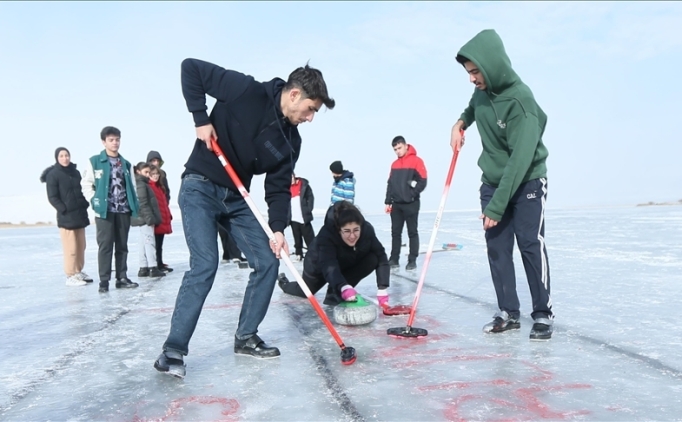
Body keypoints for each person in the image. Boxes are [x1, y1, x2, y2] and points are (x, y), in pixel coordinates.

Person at [154, 57, 335, 378]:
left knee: (268, 261)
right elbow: (190, 68)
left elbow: (278, 188)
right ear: (294, 95)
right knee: (205, 264)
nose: (310, 118)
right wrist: (200, 118)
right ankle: (172, 351)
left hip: (237, 200)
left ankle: (246, 336)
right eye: (310, 109)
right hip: (200, 186)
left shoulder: (291, 141)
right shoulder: (246, 90)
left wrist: (278, 229)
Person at [449, 29, 553, 340]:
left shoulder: (521, 101)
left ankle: (543, 313)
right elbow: (472, 107)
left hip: (527, 181)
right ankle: (508, 312)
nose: (472, 79)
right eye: (468, 73)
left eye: (475, 71)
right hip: (493, 182)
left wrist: (497, 204)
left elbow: (519, 163)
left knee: (530, 244)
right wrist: (460, 123)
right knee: (497, 249)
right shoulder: (483, 91)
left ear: (492, 64)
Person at [278, 201, 390, 308]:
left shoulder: (367, 230)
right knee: (305, 292)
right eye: (347, 231)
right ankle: (284, 283)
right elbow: (329, 266)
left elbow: (381, 256)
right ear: (339, 229)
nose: (352, 236)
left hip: (346, 262)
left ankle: (334, 293)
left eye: (356, 230)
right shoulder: (326, 236)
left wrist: (382, 288)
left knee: (372, 259)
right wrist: (343, 286)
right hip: (319, 267)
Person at [81, 126, 140, 293]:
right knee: (105, 245)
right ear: (103, 142)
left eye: (117, 139)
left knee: (122, 245)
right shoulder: (94, 161)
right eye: (111, 140)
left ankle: (121, 277)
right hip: (105, 211)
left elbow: (133, 186)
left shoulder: (126, 164)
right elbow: (86, 183)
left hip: (123, 209)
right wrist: (94, 200)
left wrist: (133, 204)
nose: (115, 143)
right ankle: (104, 280)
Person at [40, 147, 92, 286]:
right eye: (62, 156)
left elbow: (82, 190)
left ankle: (78, 271)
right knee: (71, 248)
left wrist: (84, 204)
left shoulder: (75, 172)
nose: (65, 158)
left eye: (67, 155)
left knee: (81, 246)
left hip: (79, 215)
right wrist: (64, 209)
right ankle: (70, 275)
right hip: (66, 216)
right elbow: (52, 197)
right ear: (57, 158)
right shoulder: (53, 174)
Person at [384, 136, 428, 271]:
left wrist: (412, 194)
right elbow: (390, 183)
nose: (397, 151)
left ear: (405, 146)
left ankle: (412, 260)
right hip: (396, 205)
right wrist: (388, 201)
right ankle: (394, 259)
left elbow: (423, 181)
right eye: (395, 149)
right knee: (395, 233)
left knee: (412, 232)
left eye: (399, 148)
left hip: (411, 204)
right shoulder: (394, 164)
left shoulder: (416, 161)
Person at [131, 162, 166, 279]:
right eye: (146, 172)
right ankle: (152, 267)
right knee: (149, 242)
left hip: (142, 218)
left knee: (143, 242)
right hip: (145, 218)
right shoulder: (141, 184)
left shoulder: (141, 183)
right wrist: (149, 218)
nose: (148, 175)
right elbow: (143, 202)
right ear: (138, 171)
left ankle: (143, 267)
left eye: (149, 173)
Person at [149, 164, 174, 272]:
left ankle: (160, 263)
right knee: (154, 244)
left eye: (157, 174)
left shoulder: (160, 187)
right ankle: (155, 265)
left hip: (162, 218)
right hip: (155, 220)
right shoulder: (149, 187)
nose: (155, 176)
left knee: (159, 244)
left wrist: (168, 215)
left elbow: (164, 203)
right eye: (153, 174)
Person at [288, 173, 315, 261]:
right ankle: (298, 254)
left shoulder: (303, 184)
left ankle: (314, 253)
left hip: (303, 216)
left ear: (294, 176)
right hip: (293, 217)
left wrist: (308, 209)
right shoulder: (286, 187)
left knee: (309, 237)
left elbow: (310, 197)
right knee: (297, 237)